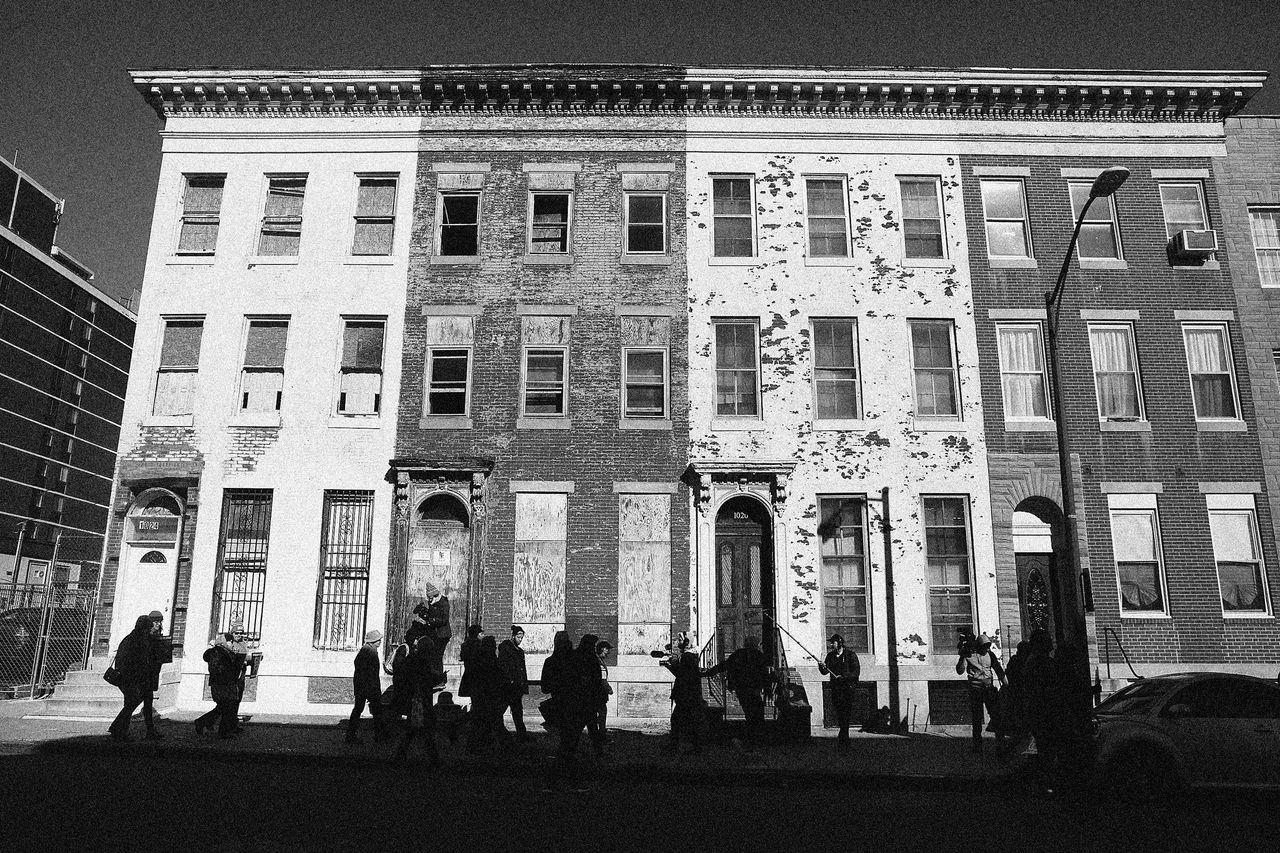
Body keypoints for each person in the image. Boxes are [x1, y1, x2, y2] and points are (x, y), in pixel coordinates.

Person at [541, 630, 589, 787]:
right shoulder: (576, 661)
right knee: (570, 743)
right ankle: (567, 779)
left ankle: (556, 779)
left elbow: (545, 688)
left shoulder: (550, 662)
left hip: (559, 706)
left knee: (565, 742)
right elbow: (583, 682)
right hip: (575, 706)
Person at [706, 635, 770, 750]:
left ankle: (752, 740)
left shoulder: (738, 654)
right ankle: (754, 741)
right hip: (752, 689)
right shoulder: (759, 656)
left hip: (742, 689)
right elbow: (764, 674)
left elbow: (724, 665)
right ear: (755, 644)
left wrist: (709, 672)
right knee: (757, 714)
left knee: (751, 713)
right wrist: (767, 688)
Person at [107, 615, 162, 741]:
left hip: (139, 678)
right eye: (147, 628)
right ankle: (118, 729)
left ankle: (148, 730)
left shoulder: (133, 639)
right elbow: (137, 661)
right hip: (132, 679)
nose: (149, 630)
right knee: (132, 703)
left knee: (144, 702)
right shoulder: (136, 641)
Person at [195, 623, 248, 739]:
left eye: (240, 633)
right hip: (221, 683)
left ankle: (205, 722)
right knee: (226, 705)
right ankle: (220, 730)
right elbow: (216, 669)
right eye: (236, 633)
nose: (238, 636)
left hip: (229, 682)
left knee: (225, 706)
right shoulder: (218, 652)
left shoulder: (228, 652)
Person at [395, 631, 441, 765]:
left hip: (415, 697)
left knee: (415, 727)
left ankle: (401, 754)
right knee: (423, 727)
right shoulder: (422, 661)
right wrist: (438, 679)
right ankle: (433, 758)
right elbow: (426, 680)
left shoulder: (412, 659)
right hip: (420, 699)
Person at [956, 631, 1006, 753]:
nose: (987, 649)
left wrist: (1006, 684)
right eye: (984, 647)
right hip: (975, 690)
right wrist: (963, 656)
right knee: (977, 719)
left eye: (988, 646)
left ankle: (1000, 744)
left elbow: (999, 670)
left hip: (989, 689)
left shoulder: (991, 655)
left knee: (996, 716)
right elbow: (960, 671)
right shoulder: (969, 655)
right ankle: (977, 746)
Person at [660, 633, 709, 754]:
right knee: (689, 721)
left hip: (686, 695)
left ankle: (678, 745)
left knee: (678, 720)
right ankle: (693, 746)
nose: (677, 642)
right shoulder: (690, 656)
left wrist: (670, 665)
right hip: (690, 695)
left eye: (680, 639)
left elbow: (682, 674)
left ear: (686, 642)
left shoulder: (687, 656)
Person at [466, 635, 510, 754]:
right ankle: (505, 746)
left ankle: (479, 746)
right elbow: (497, 677)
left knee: (481, 722)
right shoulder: (491, 660)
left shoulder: (478, 659)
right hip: (489, 696)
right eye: (494, 646)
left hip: (481, 696)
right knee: (492, 722)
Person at [818, 633, 861, 751]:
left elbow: (856, 673)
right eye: (831, 643)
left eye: (833, 642)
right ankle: (843, 737)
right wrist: (821, 666)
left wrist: (844, 677)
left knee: (845, 714)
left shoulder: (850, 655)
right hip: (836, 690)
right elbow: (824, 672)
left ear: (840, 643)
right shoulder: (831, 656)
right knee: (839, 713)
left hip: (848, 690)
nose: (831, 645)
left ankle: (843, 739)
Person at [347, 629, 388, 744]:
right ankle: (379, 736)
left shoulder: (366, 650)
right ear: (373, 641)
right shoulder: (370, 652)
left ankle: (351, 735)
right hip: (369, 687)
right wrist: (374, 688)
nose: (380, 641)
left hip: (362, 686)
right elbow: (371, 673)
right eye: (378, 640)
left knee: (359, 710)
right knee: (376, 711)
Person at [498, 625, 532, 742]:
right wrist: (510, 680)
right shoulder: (506, 649)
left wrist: (523, 684)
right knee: (502, 710)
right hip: (509, 686)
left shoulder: (520, 651)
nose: (520, 639)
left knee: (517, 711)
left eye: (522, 637)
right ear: (513, 636)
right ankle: (500, 732)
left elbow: (522, 670)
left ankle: (521, 734)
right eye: (518, 637)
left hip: (517, 686)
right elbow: (503, 667)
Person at [385, 631, 414, 724]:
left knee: (402, 700)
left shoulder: (408, 648)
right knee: (399, 700)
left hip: (402, 679)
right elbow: (398, 665)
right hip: (401, 679)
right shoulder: (404, 648)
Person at [422, 583, 451, 675]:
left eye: (431, 598)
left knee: (437, 656)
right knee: (434, 656)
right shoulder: (435, 603)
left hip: (442, 635)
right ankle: (435, 677)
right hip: (436, 634)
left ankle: (439, 678)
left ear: (436, 596)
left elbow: (444, 620)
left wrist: (432, 620)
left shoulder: (443, 603)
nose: (429, 601)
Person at [593, 639, 613, 751]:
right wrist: (608, 689)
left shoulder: (598, 660)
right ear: (602, 649)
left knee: (597, 715)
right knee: (601, 714)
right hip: (599, 693)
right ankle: (601, 736)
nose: (608, 651)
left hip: (598, 693)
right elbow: (602, 679)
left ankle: (598, 735)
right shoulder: (599, 662)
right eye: (607, 649)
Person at [457, 624, 484, 702]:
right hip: (478, 675)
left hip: (469, 674)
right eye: (481, 634)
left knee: (474, 698)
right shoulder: (479, 645)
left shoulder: (465, 645)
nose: (483, 636)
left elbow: (463, 657)